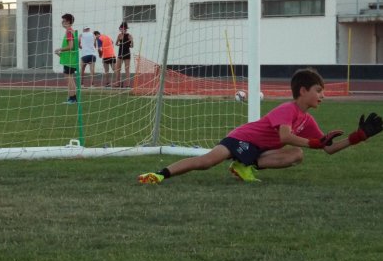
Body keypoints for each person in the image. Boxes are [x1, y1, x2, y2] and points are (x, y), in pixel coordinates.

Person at [138, 68, 383, 184]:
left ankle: (244, 166)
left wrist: (357, 137)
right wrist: (314, 142)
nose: (322, 96)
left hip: (260, 151)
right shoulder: (287, 109)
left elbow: (326, 148)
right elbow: (286, 136)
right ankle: (159, 174)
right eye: (319, 91)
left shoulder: (308, 120)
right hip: (242, 139)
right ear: (303, 91)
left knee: (298, 155)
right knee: (206, 162)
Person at [54, 13, 78, 104]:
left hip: (69, 60)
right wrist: (60, 54)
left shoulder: (69, 32)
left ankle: (72, 98)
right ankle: (73, 98)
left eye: (63, 20)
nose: (62, 22)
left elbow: (71, 46)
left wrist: (60, 49)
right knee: (71, 79)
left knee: (69, 80)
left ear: (67, 21)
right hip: (70, 59)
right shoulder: (72, 31)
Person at [115, 21, 134, 88]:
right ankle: (117, 83)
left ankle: (128, 84)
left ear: (125, 29)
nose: (121, 30)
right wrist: (120, 43)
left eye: (122, 29)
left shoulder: (129, 35)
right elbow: (116, 43)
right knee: (118, 69)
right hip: (120, 53)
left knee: (127, 69)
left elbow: (132, 46)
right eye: (120, 29)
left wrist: (131, 42)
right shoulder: (119, 35)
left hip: (127, 54)